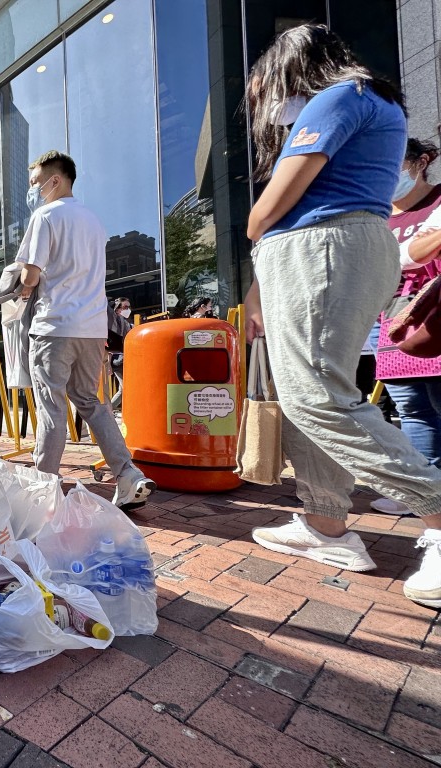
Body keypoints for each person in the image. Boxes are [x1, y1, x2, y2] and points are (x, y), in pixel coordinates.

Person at [241, 24, 441, 608]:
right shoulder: (357, 101)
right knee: (312, 394)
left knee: (317, 398)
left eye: (267, 90)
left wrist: (253, 227)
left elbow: (274, 204)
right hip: (323, 251)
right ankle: (327, 524)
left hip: (324, 249)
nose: (269, 107)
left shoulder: (342, 97)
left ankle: (433, 510)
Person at [15, 150, 155, 509]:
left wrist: (25, 287)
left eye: (36, 182)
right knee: (91, 404)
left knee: (51, 407)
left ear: (55, 180)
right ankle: (127, 474)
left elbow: (31, 272)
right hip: (92, 329)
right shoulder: (94, 220)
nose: (33, 190)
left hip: (54, 326)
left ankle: (44, 487)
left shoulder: (45, 216)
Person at [369, 139, 441, 515]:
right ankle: (424, 492)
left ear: (423, 161)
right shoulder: (380, 216)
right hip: (395, 319)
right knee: (410, 406)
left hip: (434, 313)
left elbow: (414, 255)